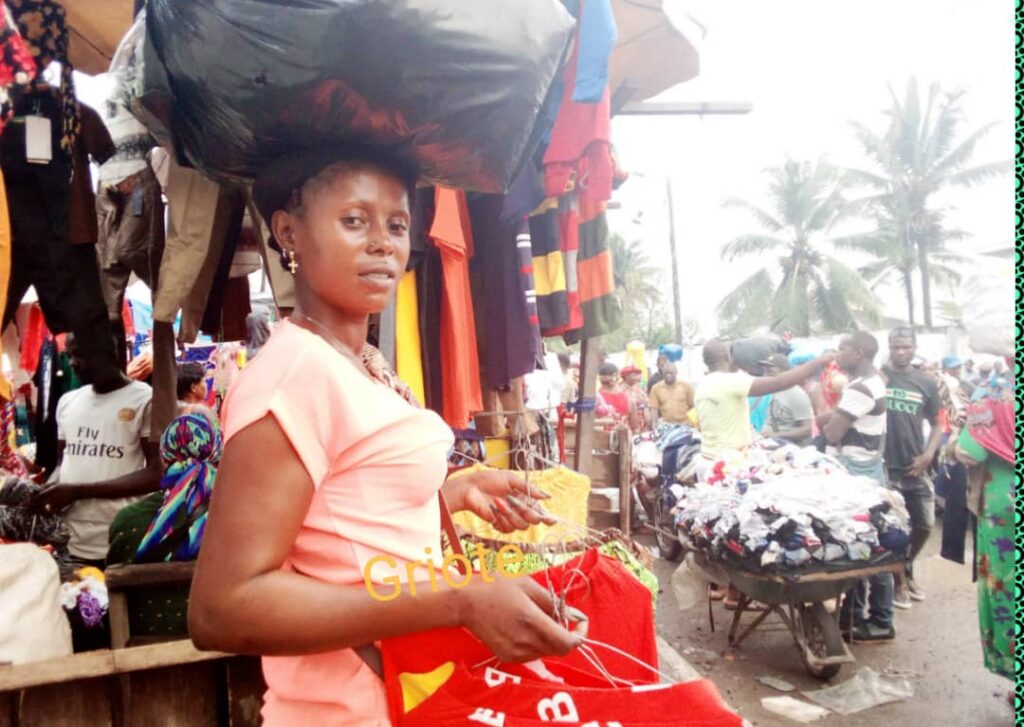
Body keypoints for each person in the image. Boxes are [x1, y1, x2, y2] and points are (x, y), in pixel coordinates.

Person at [186, 146, 578, 725]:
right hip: (344, 711)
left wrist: (453, 493)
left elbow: (343, 520)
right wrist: (459, 603)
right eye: (354, 220)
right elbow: (223, 610)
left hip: (402, 694)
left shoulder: (360, 361)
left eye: (396, 225)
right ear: (288, 232)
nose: (382, 244)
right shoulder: (292, 377)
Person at [29, 333, 161, 567]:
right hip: (71, 542)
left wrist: (78, 491)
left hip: (121, 541)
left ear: (108, 351)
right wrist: (47, 491)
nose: (72, 363)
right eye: (69, 355)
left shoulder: (146, 399)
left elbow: (156, 474)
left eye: (79, 354)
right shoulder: (68, 402)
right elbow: (63, 464)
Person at [817, 332, 894, 642]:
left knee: (868, 545)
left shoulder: (860, 389)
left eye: (843, 349)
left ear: (859, 353)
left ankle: (880, 620)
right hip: (866, 464)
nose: (838, 354)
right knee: (861, 543)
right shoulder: (872, 381)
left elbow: (833, 433)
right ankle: (854, 615)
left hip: (857, 470)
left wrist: (824, 418)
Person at [954, 362, 1014, 683]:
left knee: (1007, 583)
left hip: (1004, 503)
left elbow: (970, 452)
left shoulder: (992, 393)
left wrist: (954, 442)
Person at [694, 341, 832, 471]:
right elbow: (779, 382)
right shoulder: (730, 381)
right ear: (727, 357)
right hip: (730, 462)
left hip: (708, 458)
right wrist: (817, 362)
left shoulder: (702, 386)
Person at [883, 328, 942, 607]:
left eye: (906, 347)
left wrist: (929, 454)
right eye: (896, 347)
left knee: (925, 525)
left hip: (916, 465)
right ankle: (900, 584)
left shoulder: (925, 382)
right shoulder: (880, 377)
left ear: (915, 348)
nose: (900, 352)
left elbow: (938, 423)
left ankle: (906, 565)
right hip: (885, 467)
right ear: (889, 347)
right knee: (895, 528)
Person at [759, 354, 814, 446]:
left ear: (785, 372)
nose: (766, 376)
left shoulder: (796, 394)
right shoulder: (773, 390)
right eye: (765, 372)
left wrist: (777, 435)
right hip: (770, 445)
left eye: (770, 372)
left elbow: (807, 430)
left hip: (787, 447)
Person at [647, 363, 694, 427]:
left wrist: (693, 422)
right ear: (662, 374)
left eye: (671, 373)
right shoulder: (656, 388)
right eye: (665, 373)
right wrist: (654, 424)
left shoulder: (685, 386)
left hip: (685, 424)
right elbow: (654, 408)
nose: (668, 375)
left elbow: (693, 406)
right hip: (667, 426)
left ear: (676, 372)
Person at [620, 365, 649, 432]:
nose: (636, 378)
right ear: (626, 376)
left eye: (636, 375)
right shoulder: (620, 389)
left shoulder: (638, 388)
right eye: (633, 375)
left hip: (642, 422)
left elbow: (646, 403)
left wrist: (647, 416)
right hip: (627, 422)